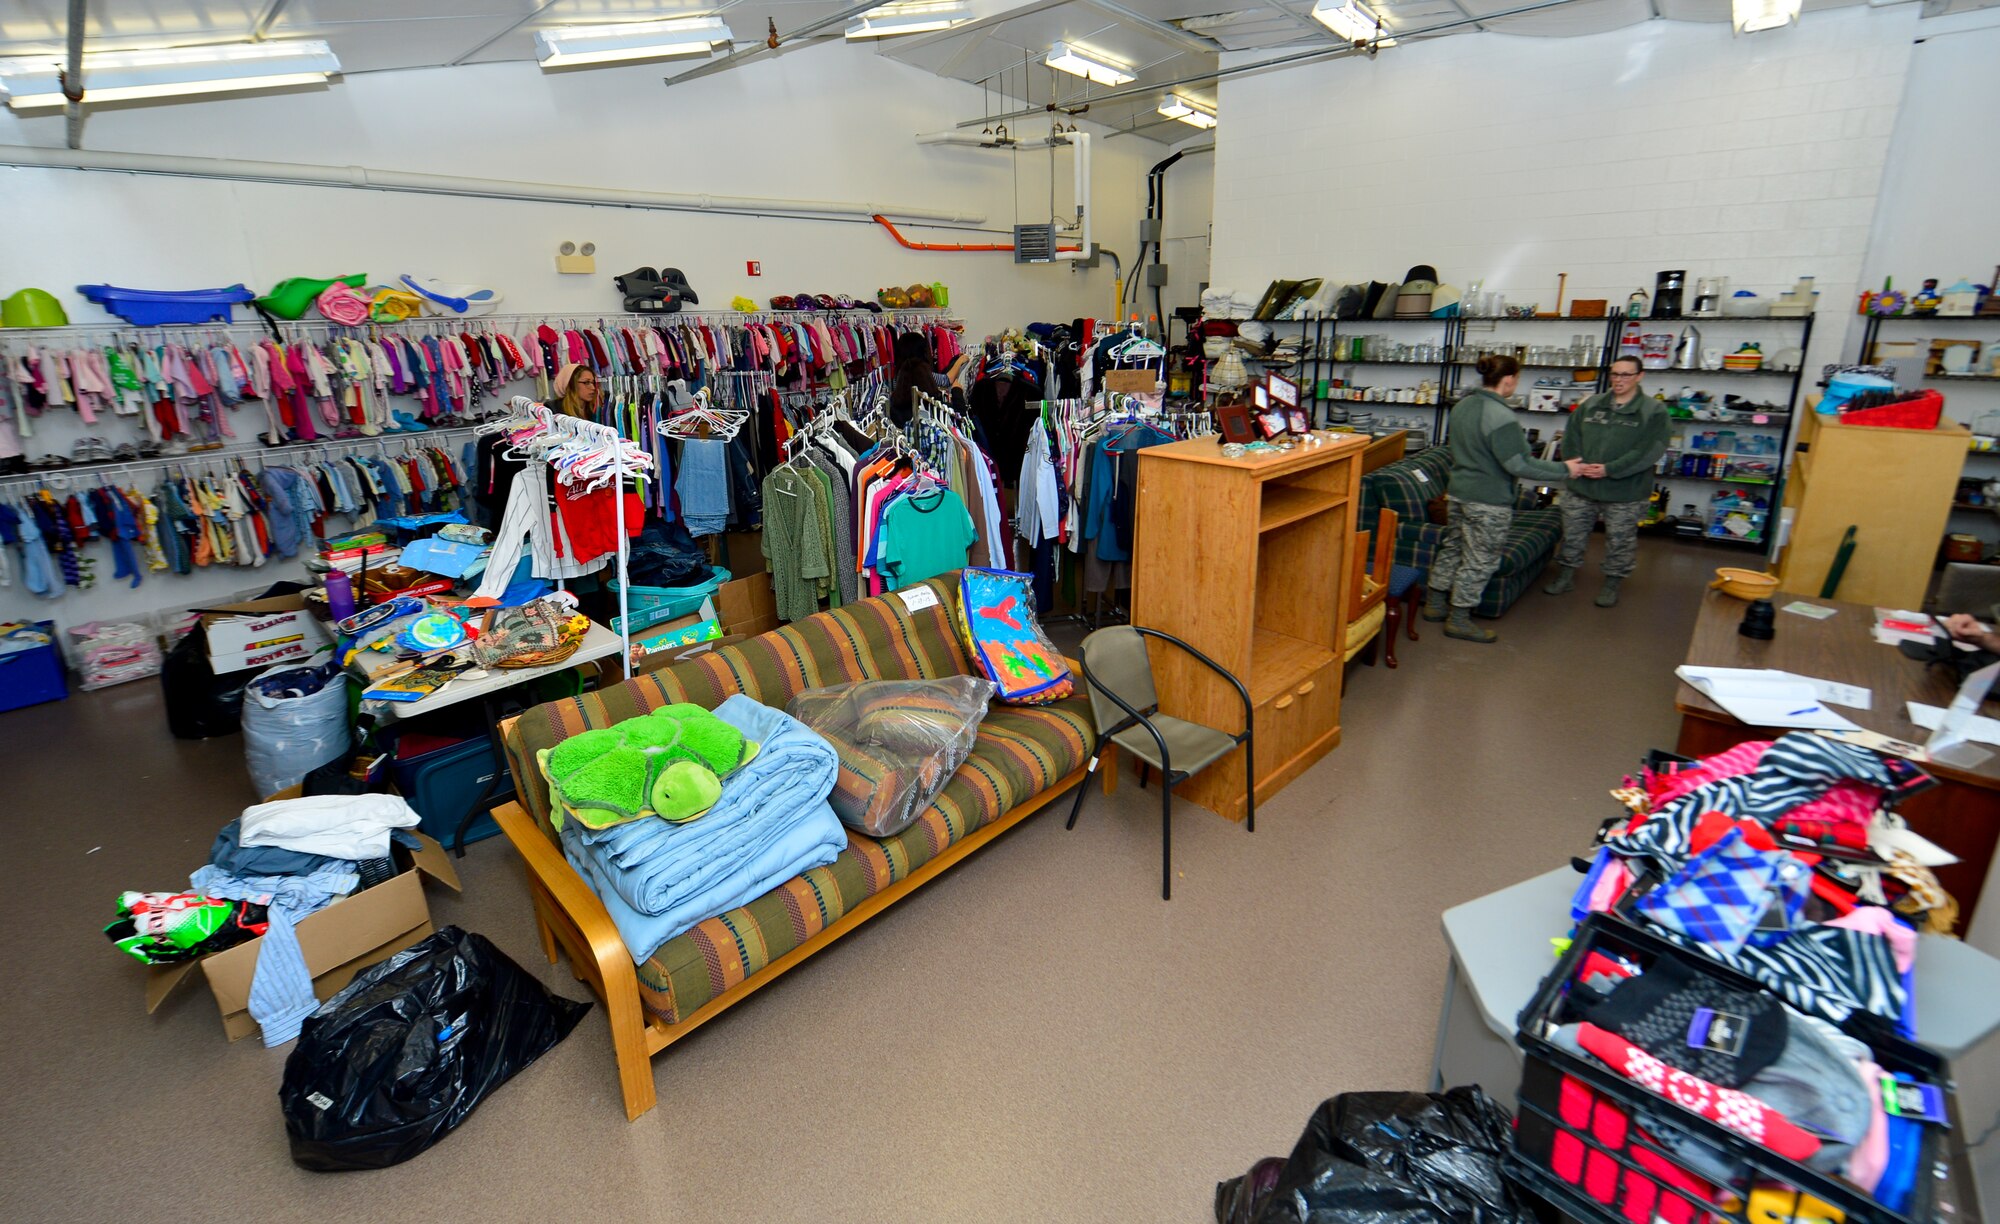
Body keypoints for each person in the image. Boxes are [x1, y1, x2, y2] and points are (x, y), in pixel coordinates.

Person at [1422, 354, 1592, 643]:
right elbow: (1520, 464)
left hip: (1459, 493)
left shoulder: (1462, 406)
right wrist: (1566, 468)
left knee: (1453, 549)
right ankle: (1459, 620)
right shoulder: (1502, 416)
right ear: (1509, 380)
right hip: (1488, 500)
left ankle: (1435, 604)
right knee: (1480, 560)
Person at [1545, 355, 1669, 608]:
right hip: (1583, 485)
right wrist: (1576, 464)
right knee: (1573, 534)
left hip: (1625, 490)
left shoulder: (1654, 411)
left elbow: (1649, 451)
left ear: (1639, 376)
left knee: (1620, 539)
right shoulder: (1591, 404)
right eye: (1615, 374)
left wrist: (1610, 469)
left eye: (1626, 375)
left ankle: (1612, 582)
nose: (1619, 380)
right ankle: (1566, 575)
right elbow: (1571, 437)